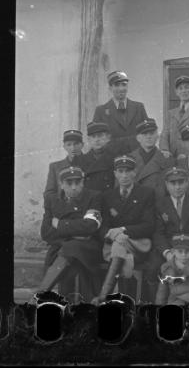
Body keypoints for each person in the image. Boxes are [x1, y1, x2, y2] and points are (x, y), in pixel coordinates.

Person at [92, 155, 155, 304]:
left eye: (128, 171)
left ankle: (105, 295)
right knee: (121, 248)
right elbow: (102, 226)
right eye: (120, 171)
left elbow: (149, 225)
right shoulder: (107, 196)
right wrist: (113, 235)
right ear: (115, 173)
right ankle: (123, 300)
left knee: (119, 244)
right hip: (115, 245)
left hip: (137, 244)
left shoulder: (146, 193)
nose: (124, 175)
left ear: (135, 172)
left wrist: (122, 230)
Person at [144, 166, 189, 303]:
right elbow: (158, 233)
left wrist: (188, 251)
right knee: (153, 267)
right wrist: (168, 253)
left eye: (181, 182)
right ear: (166, 185)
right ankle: (153, 304)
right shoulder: (160, 204)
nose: (177, 187)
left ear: (187, 183)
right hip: (169, 247)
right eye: (173, 183)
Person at [39, 167, 102, 302]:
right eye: (69, 183)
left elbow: (90, 226)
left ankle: (41, 295)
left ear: (83, 183)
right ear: (61, 184)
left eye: (77, 183)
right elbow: (46, 232)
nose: (74, 187)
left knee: (71, 250)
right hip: (61, 249)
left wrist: (60, 225)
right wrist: (76, 232)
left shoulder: (94, 197)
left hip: (88, 248)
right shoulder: (52, 200)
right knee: (71, 256)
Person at [92, 71, 148, 151]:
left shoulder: (139, 107)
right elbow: (96, 138)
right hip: (111, 158)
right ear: (110, 88)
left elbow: (146, 133)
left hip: (136, 157)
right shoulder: (101, 111)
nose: (121, 89)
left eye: (124, 85)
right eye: (117, 85)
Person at [128, 118, 172, 194]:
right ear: (138, 138)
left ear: (157, 136)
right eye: (145, 134)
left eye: (152, 133)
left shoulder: (167, 159)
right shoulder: (129, 159)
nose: (149, 137)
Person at [79, 122, 125, 193]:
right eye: (93, 136)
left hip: (108, 199)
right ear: (89, 140)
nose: (97, 140)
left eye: (100, 136)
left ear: (108, 138)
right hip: (89, 201)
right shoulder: (81, 160)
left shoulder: (116, 158)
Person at [44, 130, 85, 198]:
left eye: (76, 144)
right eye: (69, 144)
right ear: (64, 147)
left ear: (82, 145)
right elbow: (49, 194)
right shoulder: (55, 167)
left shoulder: (91, 164)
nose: (73, 148)